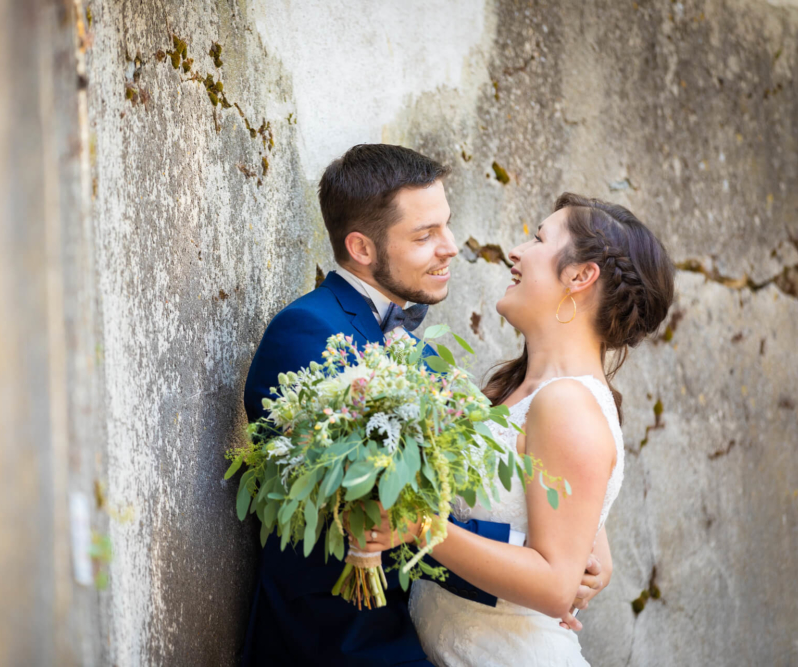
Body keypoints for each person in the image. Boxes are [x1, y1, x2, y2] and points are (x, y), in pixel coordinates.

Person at [240, 145, 613, 666]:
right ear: (361, 248)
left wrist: (580, 544)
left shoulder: (425, 356)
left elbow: (488, 472)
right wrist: (545, 566)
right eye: (425, 236)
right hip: (340, 640)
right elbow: (370, 511)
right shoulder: (307, 332)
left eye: (447, 225)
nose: (451, 248)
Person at [363, 193, 676, 665]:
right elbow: (548, 503)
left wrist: (420, 527)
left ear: (580, 276)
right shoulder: (519, 389)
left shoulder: (567, 403)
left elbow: (555, 586)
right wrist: (592, 541)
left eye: (538, 239)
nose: (516, 251)